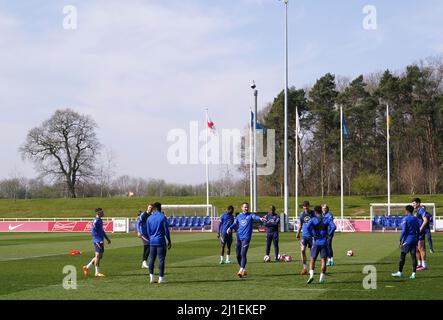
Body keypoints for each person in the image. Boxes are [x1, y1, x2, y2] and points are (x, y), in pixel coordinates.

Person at [227, 202, 267, 278]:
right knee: (237, 255)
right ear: (242, 208)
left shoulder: (250, 215)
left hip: (246, 238)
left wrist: (261, 218)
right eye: (245, 207)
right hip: (238, 237)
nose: (246, 208)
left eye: (247, 207)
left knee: (243, 254)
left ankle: (241, 269)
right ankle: (243, 268)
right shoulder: (239, 216)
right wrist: (230, 228)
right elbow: (235, 224)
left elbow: (256, 217)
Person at [306, 206, 336, 284]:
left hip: (316, 242)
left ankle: (311, 275)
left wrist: (313, 234)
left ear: (315, 212)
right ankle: (321, 278)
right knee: (323, 261)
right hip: (324, 242)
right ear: (321, 211)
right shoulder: (326, 219)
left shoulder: (313, 220)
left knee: (312, 260)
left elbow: (308, 227)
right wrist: (329, 234)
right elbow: (334, 226)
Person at [392, 205, 420, 279]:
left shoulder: (406, 219)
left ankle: (399, 272)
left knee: (402, 255)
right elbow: (418, 230)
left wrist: (400, 240)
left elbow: (404, 231)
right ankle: (414, 274)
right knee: (413, 256)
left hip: (408, 240)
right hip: (414, 239)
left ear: (407, 211)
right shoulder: (416, 219)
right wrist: (417, 239)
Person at [146, 202, 171, 284]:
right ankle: (161, 278)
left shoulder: (149, 218)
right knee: (161, 259)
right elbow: (166, 231)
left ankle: (151, 277)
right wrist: (169, 241)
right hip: (160, 241)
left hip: (152, 242)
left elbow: (148, 231)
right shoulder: (163, 217)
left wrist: (151, 239)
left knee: (151, 259)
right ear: (159, 208)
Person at [83, 208, 111, 277]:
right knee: (98, 256)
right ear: (98, 213)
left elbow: (102, 231)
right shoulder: (96, 221)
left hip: (100, 240)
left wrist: (107, 238)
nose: (103, 213)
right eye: (102, 212)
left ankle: (86, 267)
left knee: (99, 256)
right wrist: (97, 239)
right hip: (98, 241)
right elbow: (94, 230)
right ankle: (97, 272)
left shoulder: (100, 220)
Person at [296, 201, 315, 275]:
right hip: (304, 235)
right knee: (302, 250)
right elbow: (300, 224)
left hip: (312, 236)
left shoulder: (313, 213)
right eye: (304, 206)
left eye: (306, 206)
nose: (305, 207)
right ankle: (304, 268)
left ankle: (311, 268)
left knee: (312, 253)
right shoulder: (301, 214)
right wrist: (298, 233)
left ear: (309, 206)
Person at [412, 198, 429, 270]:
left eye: (414, 203)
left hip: (420, 233)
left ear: (418, 203)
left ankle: (424, 266)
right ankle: (419, 264)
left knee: (421, 248)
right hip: (415, 232)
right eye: (412, 203)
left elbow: (425, 220)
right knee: (416, 249)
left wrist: (420, 228)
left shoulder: (421, 210)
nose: (413, 205)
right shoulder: (415, 211)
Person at [137, 204, 154, 269]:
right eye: (149, 207)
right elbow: (138, 223)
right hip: (143, 233)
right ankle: (144, 262)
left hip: (148, 234)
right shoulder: (144, 214)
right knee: (150, 245)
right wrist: (139, 232)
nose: (150, 209)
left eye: (151, 208)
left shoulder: (151, 215)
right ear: (147, 208)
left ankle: (143, 263)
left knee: (146, 247)